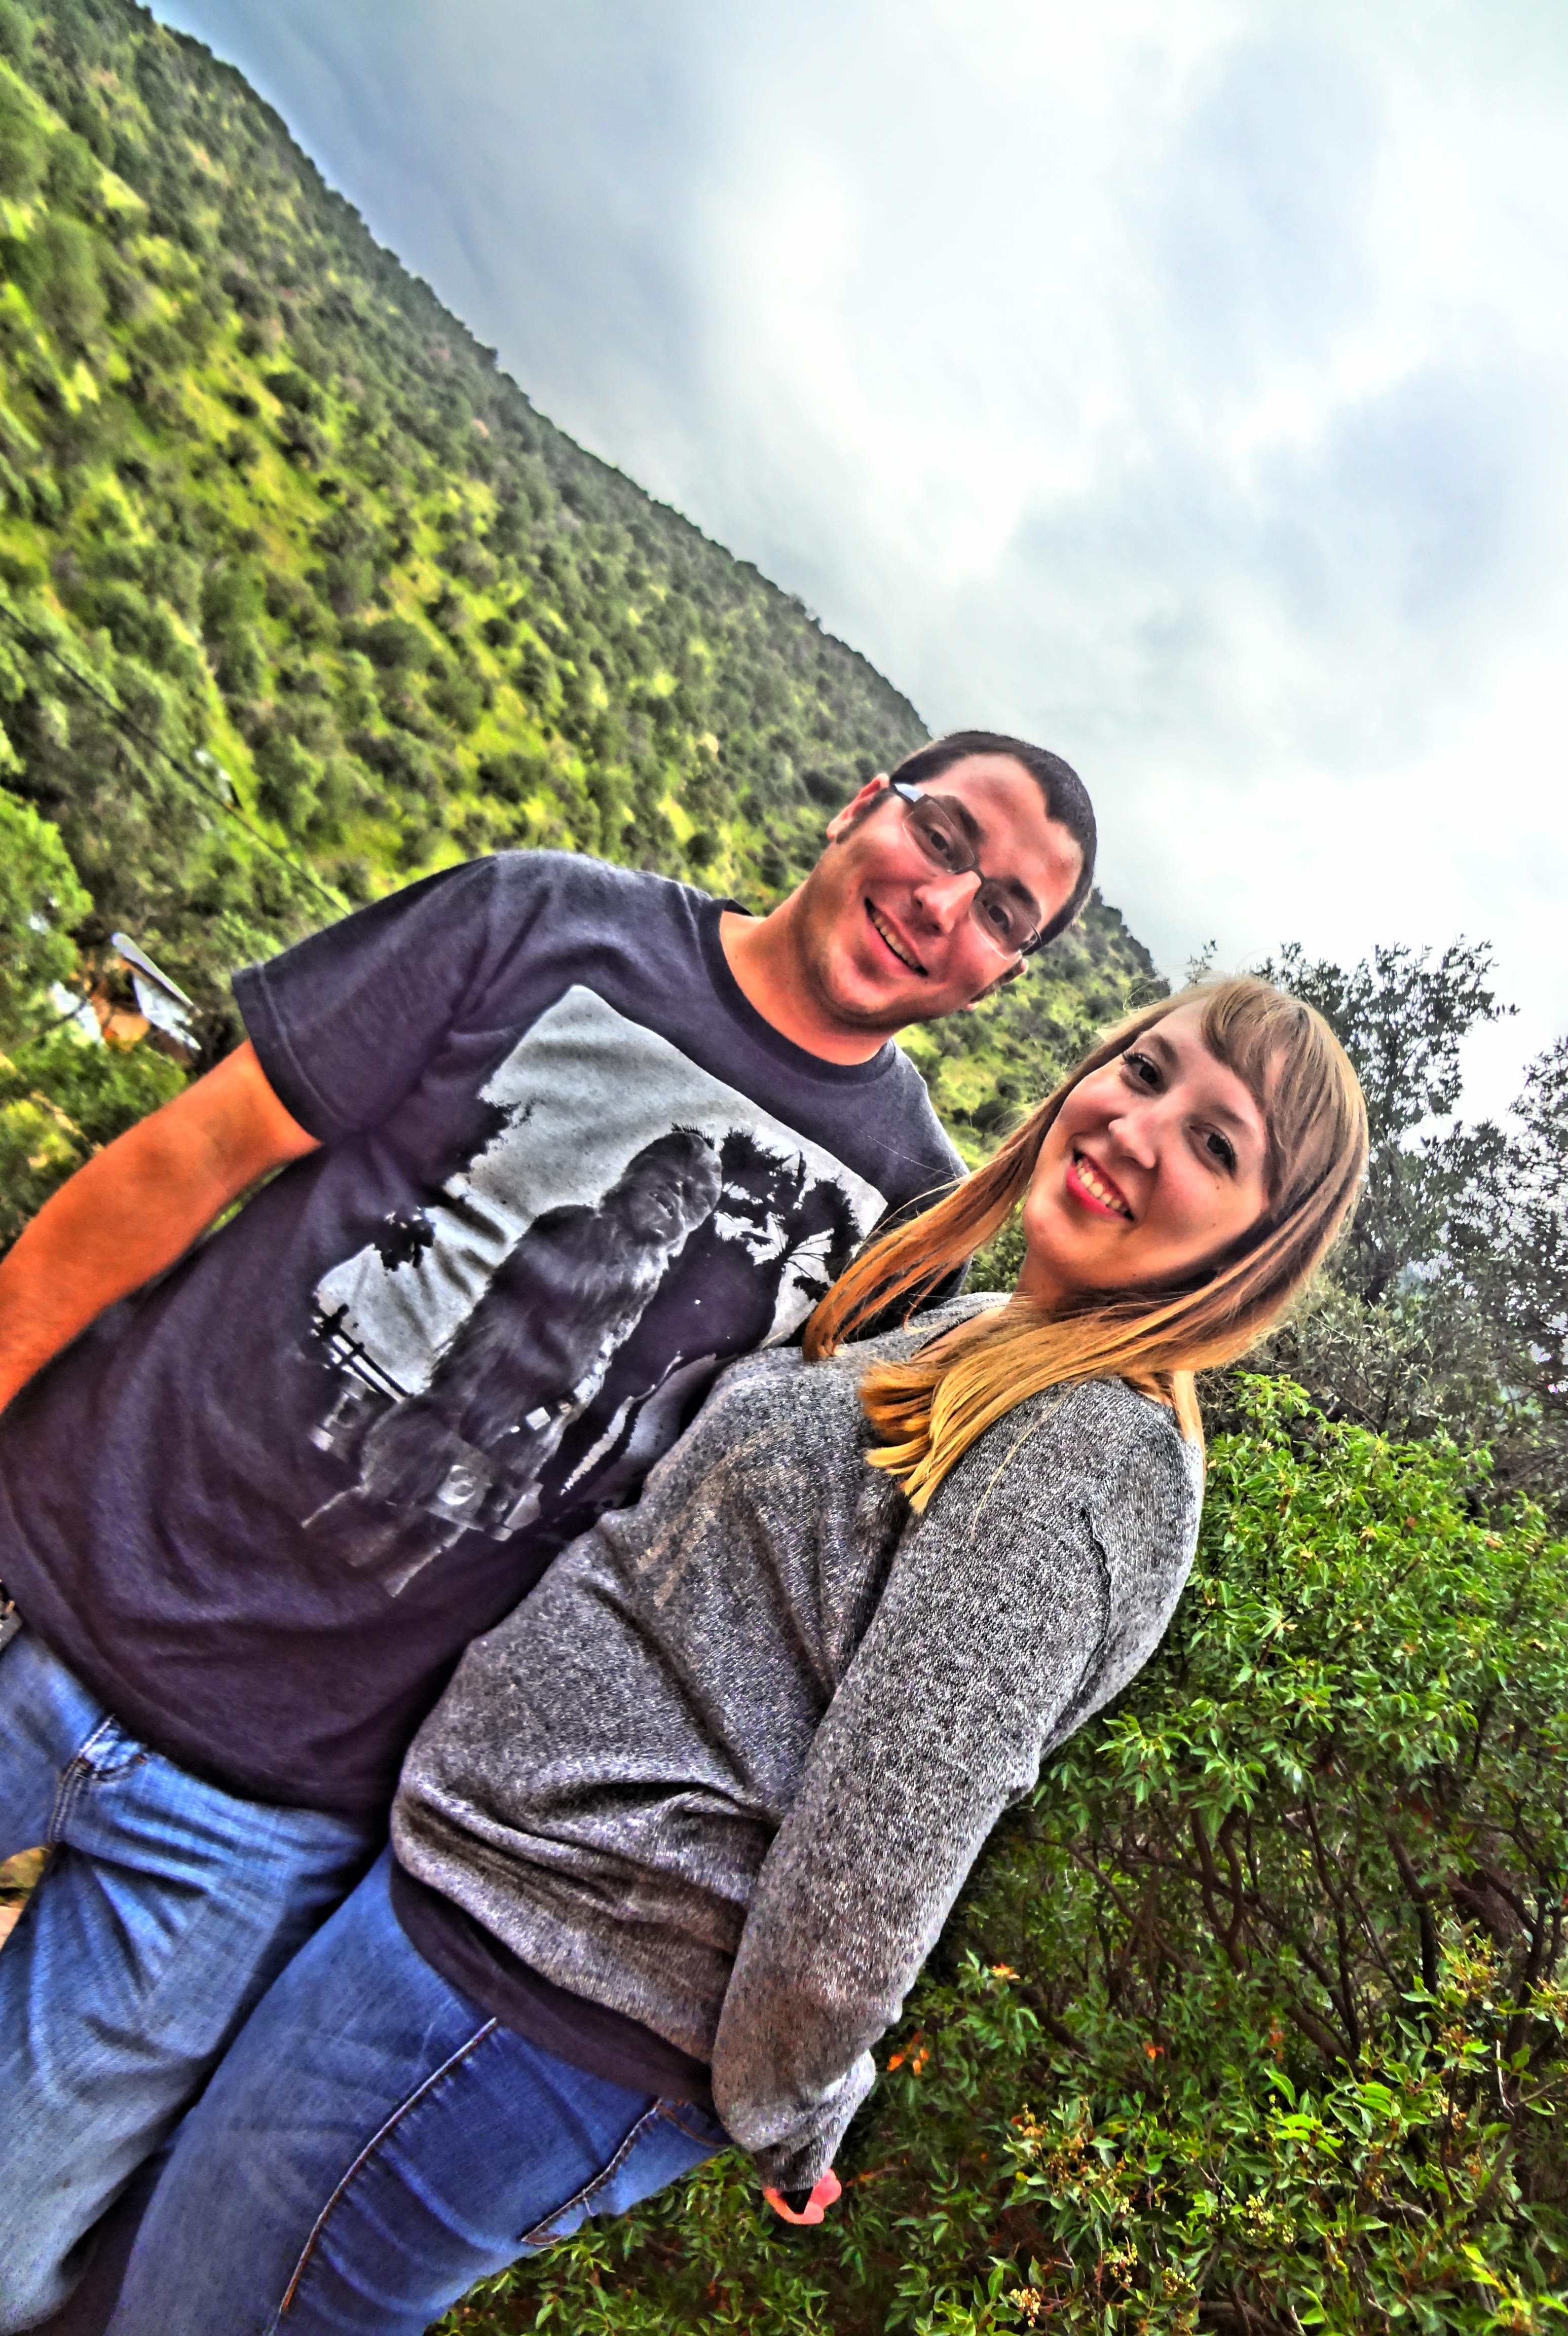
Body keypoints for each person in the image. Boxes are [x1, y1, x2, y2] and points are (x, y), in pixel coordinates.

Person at [0, 730, 1096, 2330]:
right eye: (943, 838)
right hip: (47, 1584)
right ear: (863, 802)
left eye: (1005, 912)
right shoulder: (540, 918)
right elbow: (191, 1158)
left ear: (1007, 976)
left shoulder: (904, 1222)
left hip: (278, 1813)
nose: (947, 905)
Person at [103, 976, 1369, 2335]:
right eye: (1145, 1071)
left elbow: (892, 1828)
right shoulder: (989, 1337)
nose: (1139, 1128)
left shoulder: (1092, 1448)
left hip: (543, 1995)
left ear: (1261, 1248)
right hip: (481, 1926)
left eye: (1216, 1144)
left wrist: (797, 2104)